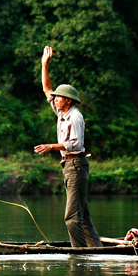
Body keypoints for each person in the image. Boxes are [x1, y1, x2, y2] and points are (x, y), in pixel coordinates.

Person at [33, 46, 101, 248]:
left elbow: (76, 144)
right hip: (70, 167)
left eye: (59, 97)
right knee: (83, 216)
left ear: (68, 100)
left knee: (72, 218)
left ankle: (79, 254)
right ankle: (96, 250)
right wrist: (44, 64)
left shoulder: (75, 117)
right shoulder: (61, 111)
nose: (55, 98)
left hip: (77, 166)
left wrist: (51, 146)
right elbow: (46, 89)